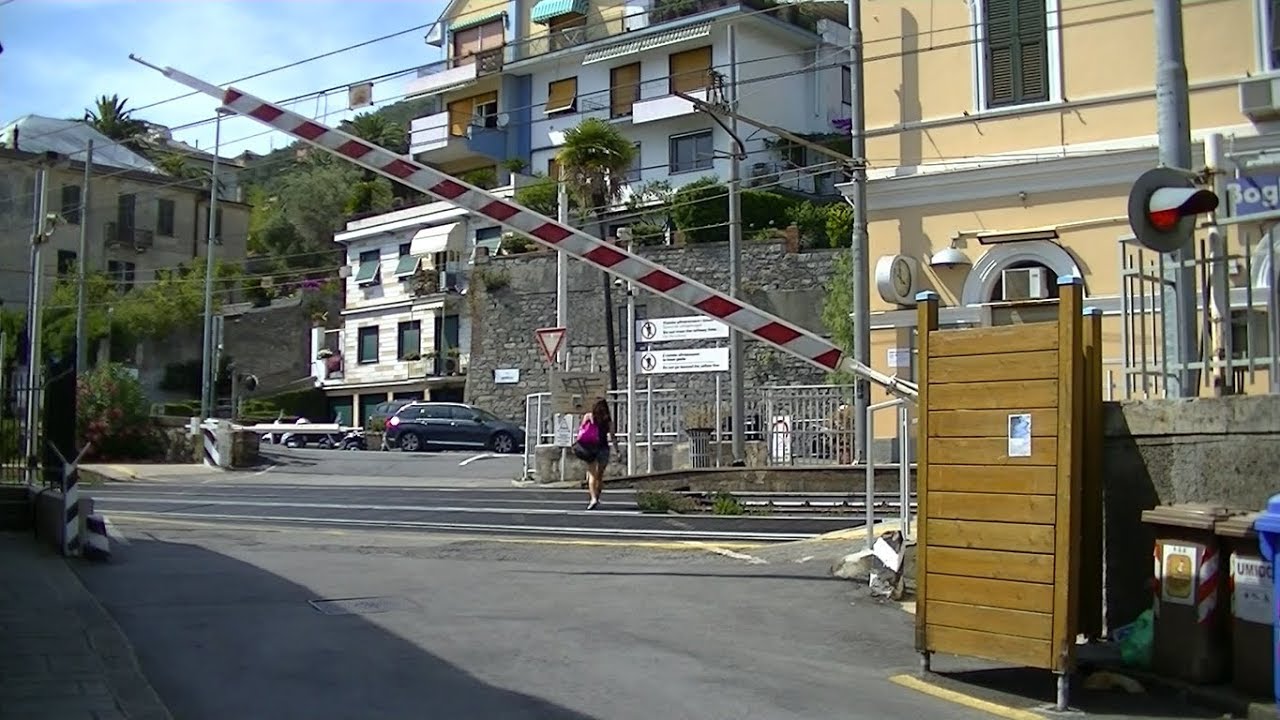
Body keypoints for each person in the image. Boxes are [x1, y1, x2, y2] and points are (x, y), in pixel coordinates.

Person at [580, 398, 618, 510]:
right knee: (600, 476)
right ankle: (597, 496)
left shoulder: (588, 416)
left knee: (592, 474)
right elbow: (613, 436)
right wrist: (617, 450)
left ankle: (593, 498)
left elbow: (582, 430)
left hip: (590, 448)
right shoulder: (608, 420)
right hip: (603, 448)